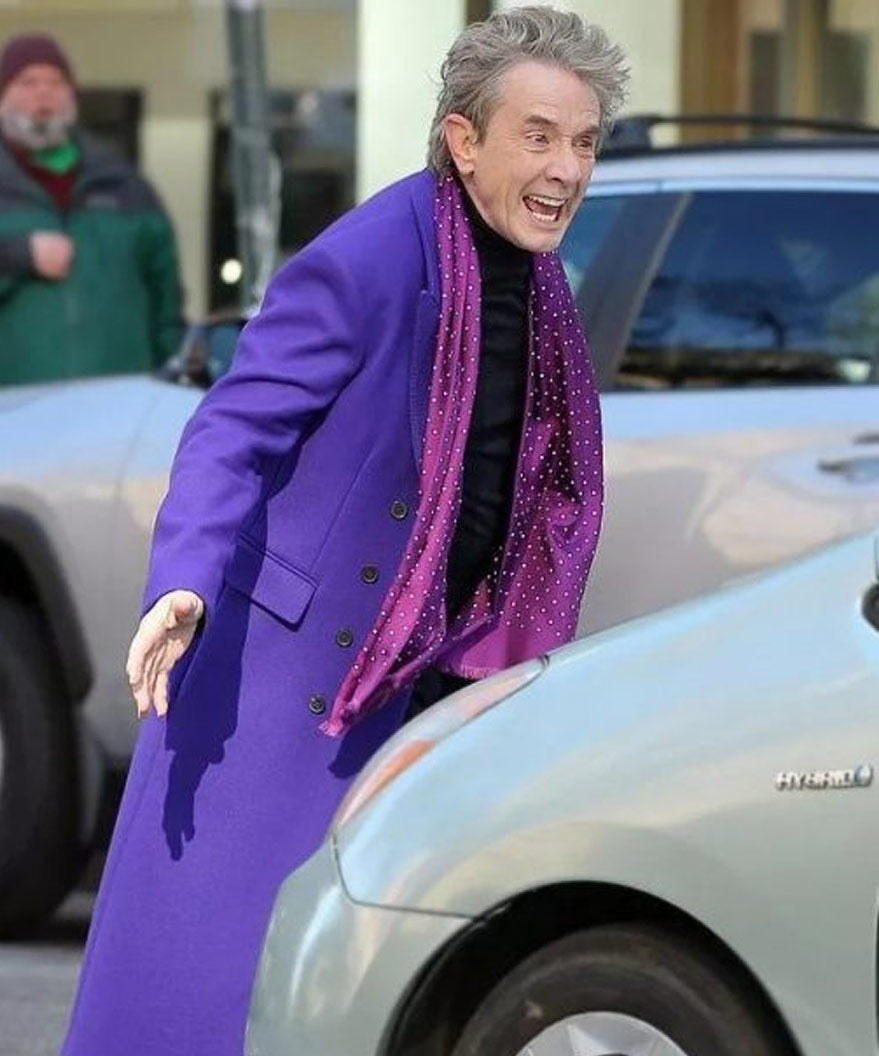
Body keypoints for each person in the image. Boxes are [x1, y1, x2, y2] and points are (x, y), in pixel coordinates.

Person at [59, 8, 628, 1055]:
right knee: (204, 991)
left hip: (430, 686)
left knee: (354, 999)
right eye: (539, 136)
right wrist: (183, 579)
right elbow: (232, 428)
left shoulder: (540, 283)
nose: (567, 168)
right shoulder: (370, 256)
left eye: (585, 142)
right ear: (464, 140)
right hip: (283, 688)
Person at [0, 33, 183, 386]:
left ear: (72, 95)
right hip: (13, 407)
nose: (43, 93)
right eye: (28, 82)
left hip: (118, 403)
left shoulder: (122, 182)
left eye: (56, 82)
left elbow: (165, 299)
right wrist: (19, 254)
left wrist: (172, 372)